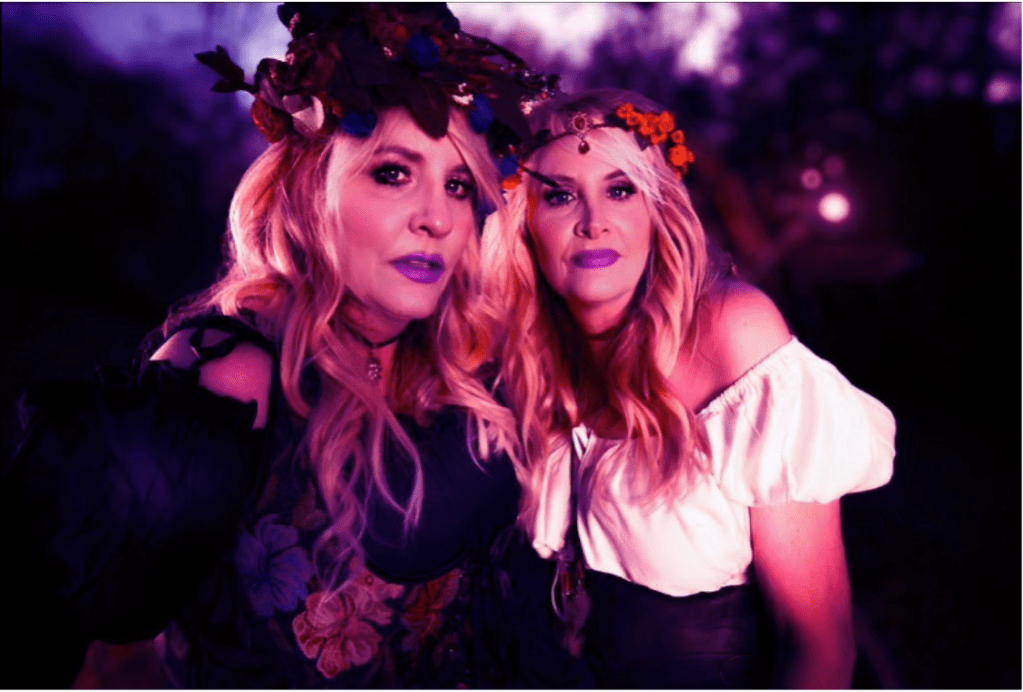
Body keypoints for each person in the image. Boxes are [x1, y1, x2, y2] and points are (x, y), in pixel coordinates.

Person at [3, 4, 579, 688]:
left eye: (457, 186)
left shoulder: (468, 367)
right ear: (311, 192)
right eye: (393, 173)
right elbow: (42, 622)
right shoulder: (233, 372)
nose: (437, 218)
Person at [483, 87, 897, 688]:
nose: (594, 222)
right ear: (524, 224)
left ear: (657, 209)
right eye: (560, 196)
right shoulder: (526, 364)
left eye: (620, 190)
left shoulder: (734, 334)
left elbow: (820, 652)